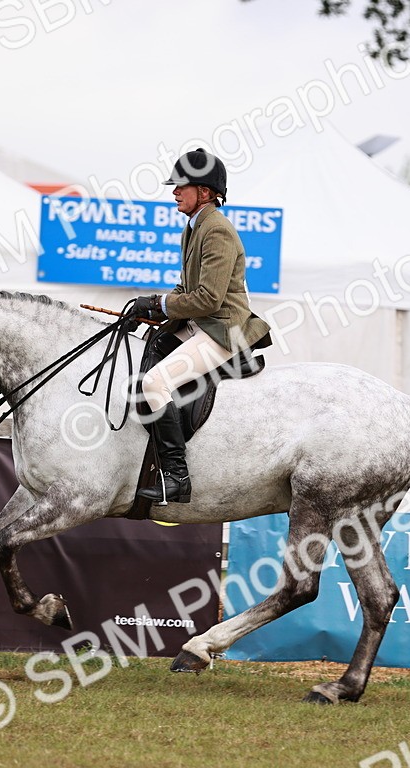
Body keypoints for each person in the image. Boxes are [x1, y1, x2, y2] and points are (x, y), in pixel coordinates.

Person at [127, 148, 271, 505]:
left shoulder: (217, 231)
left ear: (204, 192)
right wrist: (153, 306)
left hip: (222, 329)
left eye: (181, 187)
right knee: (147, 347)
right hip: (200, 323)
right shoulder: (194, 227)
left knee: (155, 382)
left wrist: (162, 305)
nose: (174, 192)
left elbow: (207, 299)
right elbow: (187, 288)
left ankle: (177, 476)